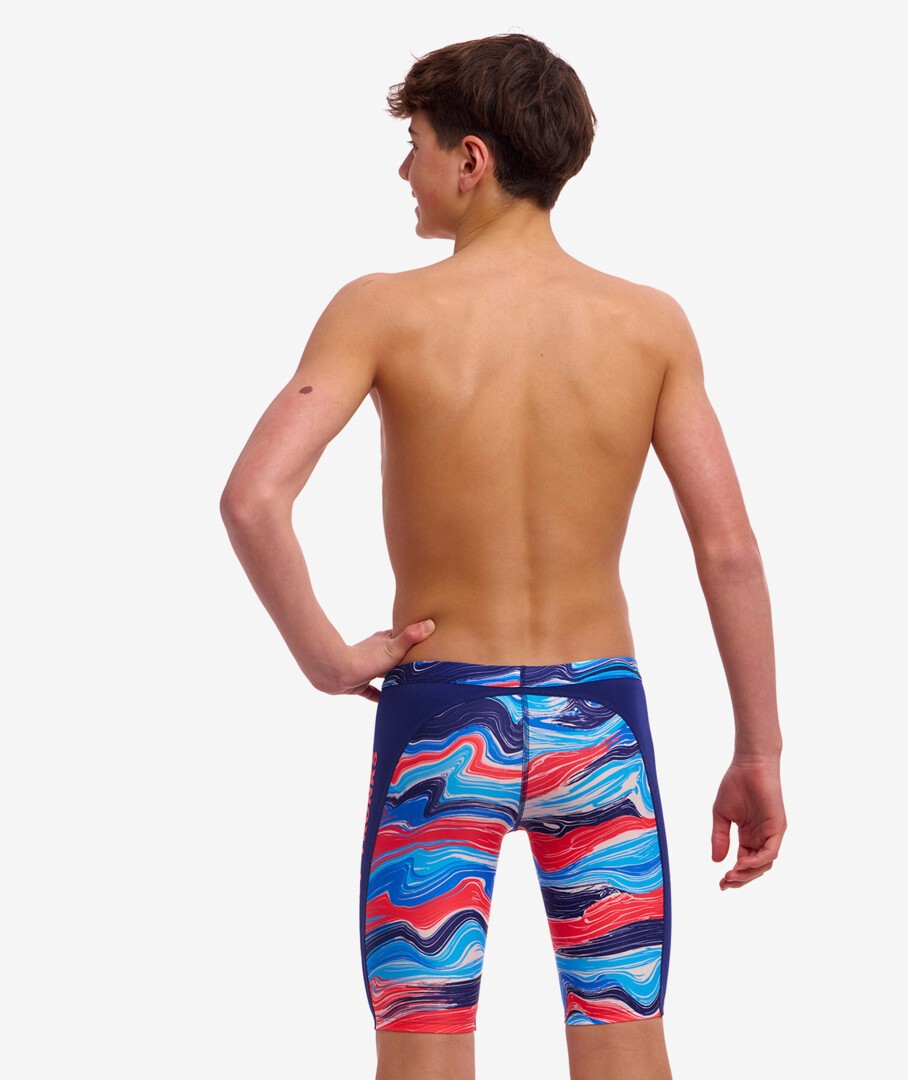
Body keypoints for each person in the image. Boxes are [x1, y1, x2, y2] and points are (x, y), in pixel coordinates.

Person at [220, 31, 786, 1080]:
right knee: (626, 1042)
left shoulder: (382, 309)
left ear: (471, 160)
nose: (405, 170)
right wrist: (760, 752)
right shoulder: (649, 324)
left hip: (444, 722)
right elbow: (731, 552)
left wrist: (329, 660)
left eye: (417, 144)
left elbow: (254, 498)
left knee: (425, 1043)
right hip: (598, 725)